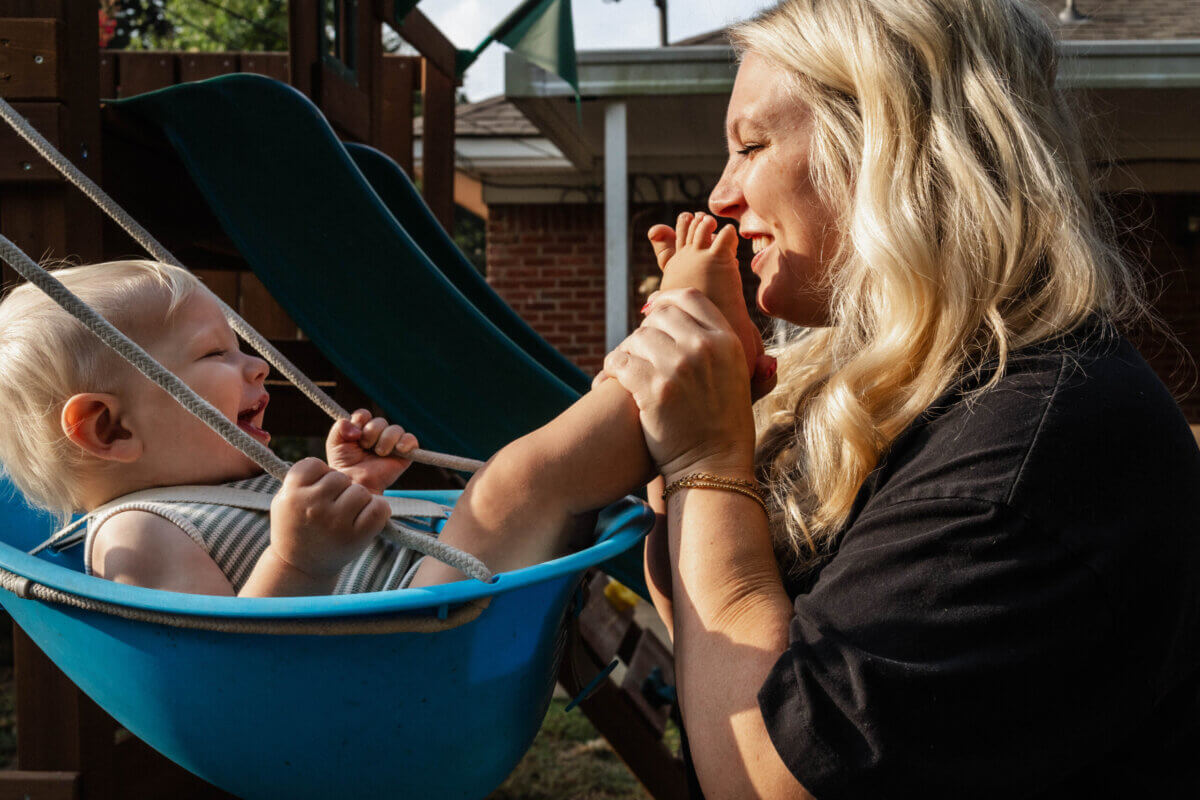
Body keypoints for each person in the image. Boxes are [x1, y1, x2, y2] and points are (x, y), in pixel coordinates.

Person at [594, 0, 1200, 797]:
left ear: (887, 145)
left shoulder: (1029, 448)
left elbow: (761, 774)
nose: (721, 196)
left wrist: (708, 461)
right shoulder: (911, 390)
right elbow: (719, 677)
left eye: (750, 146)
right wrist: (691, 450)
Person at [0, 212, 761, 596]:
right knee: (514, 484)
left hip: (433, 603)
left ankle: (691, 365)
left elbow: (302, 556)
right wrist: (300, 555)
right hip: (408, 638)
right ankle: (686, 338)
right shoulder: (135, 537)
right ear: (109, 426)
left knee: (534, 482)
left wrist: (353, 490)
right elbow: (241, 661)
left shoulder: (220, 490)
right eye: (216, 355)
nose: (257, 367)